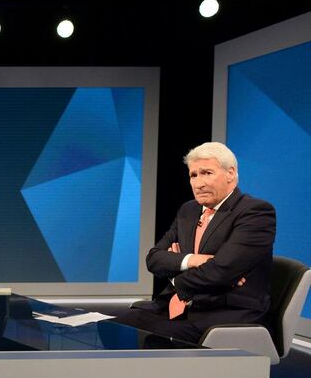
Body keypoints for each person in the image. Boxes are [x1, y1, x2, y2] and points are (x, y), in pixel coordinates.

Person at [114, 142, 275, 344]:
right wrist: (192, 260)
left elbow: (221, 271)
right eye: (194, 175)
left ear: (230, 174)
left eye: (207, 173)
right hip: (180, 306)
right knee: (114, 329)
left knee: (146, 338)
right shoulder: (188, 210)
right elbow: (154, 259)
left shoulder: (255, 212)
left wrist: (176, 274)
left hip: (224, 312)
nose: (199, 183)